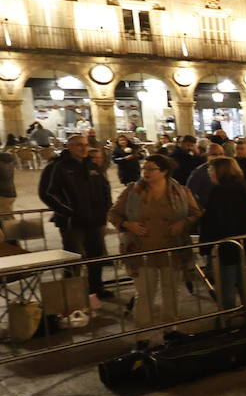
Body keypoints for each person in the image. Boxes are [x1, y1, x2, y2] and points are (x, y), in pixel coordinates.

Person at [108, 153, 204, 328]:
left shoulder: (181, 192)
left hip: (172, 249)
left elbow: (195, 212)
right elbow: (113, 214)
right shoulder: (132, 191)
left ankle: (170, 329)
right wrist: (128, 224)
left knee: (171, 291)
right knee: (144, 293)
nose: (146, 172)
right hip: (142, 250)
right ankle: (143, 334)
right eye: (145, 168)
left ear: (164, 172)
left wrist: (183, 223)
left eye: (151, 169)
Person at [39, 135, 113, 298]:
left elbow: (104, 189)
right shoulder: (58, 167)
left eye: (85, 145)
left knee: (96, 256)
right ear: (69, 147)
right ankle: (71, 294)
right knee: (73, 258)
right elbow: (47, 193)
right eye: (79, 145)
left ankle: (95, 288)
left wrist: (105, 209)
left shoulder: (92, 166)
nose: (83, 148)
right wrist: (69, 212)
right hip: (73, 223)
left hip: (95, 221)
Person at [198, 157, 246, 321]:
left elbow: (216, 219)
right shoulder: (244, 185)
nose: (209, 174)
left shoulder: (222, 190)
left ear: (220, 171)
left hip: (229, 244)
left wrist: (205, 245)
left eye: (211, 170)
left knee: (227, 284)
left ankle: (227, 317)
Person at [185, 142, 224, 209]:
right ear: (207, 155)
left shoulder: (227, 168)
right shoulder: (199, 172)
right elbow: (190, 193)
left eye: (221, 154)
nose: (218, 157)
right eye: (214, 154)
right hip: (207, 208)